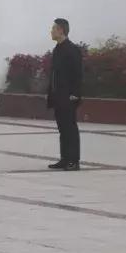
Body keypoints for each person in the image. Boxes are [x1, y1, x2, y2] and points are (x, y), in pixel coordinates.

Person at [47, 18, 83, 171]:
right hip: (58, 96)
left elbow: (78, 74)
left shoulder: (71, 49)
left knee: (70, 128)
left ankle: (73, 161)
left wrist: (76, 93)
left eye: (54, 28)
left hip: (69, 96)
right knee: (62, 129)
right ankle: (65, 158)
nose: (51, 31)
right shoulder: (57, 49)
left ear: (61, 30)